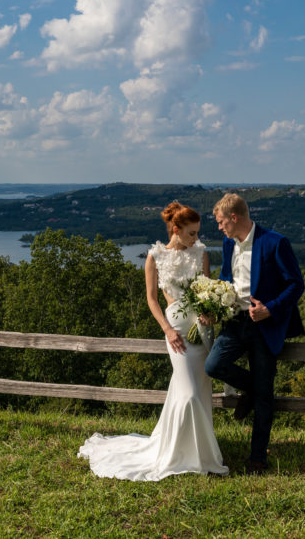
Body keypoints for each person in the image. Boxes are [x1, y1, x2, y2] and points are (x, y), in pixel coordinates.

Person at [78, 202, 228, 480]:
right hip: (177, 333)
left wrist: (208, 313)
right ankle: (182, 455)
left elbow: (207, 289)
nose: (196, 238)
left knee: (197, 392)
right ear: (176, 229)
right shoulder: (155, 256)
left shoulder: (201, 254)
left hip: (200, 332)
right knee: (190, 394)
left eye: (197, 233)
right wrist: (168, 330)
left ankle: (198, 452)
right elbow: (151, 298)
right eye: (192, 233)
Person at [203, 191, 304, 474]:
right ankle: (251, 388)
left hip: (265, 325)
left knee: (264, 398)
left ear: (234, 218)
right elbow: (226, 278)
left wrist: (270, 308)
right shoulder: (228, 244)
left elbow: (296, 285)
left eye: (222, 222)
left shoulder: (275, 242)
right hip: (235, 323)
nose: (219, 227)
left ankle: (258, 458)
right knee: (214, 365)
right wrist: (214, 304)